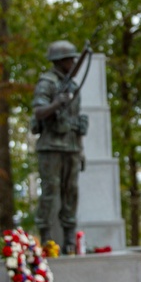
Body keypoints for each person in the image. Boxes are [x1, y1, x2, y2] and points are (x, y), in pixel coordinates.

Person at [32, 40, 89, 254]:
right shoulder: (47, 82)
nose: (74, 63)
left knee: (71, 193)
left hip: (71, 147)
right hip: (51, 146)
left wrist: (81, 150)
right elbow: (38, 112)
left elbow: (76, 121)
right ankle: (46, 239)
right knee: (50, 192)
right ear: (61, 61)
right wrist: (57, 103)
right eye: (70, 59)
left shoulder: (73, 86)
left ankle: (69, 240)